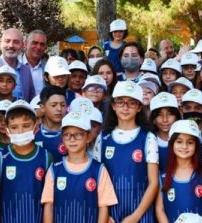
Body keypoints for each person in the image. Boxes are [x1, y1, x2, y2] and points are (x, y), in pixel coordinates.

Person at [97, 81, 159, 223]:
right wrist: (105, 214)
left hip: (141, 215)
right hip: (110, 215)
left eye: (131, 103)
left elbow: (154, 183)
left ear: (139, 107)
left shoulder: (148, 137)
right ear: (113, 106)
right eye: (120, 102)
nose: (125, 108)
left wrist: (136, 216)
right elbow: (97, 179)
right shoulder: (103, 138)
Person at [41, 111, 117, 223]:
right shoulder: (55, 169)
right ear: (62, 138)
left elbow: (104, 206)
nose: (72, 139)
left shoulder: (98, 170)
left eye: (78, 134)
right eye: (67, 134)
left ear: (88, 137)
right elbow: (49, 205)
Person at [0, 100, 51, 223]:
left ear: (36, 127)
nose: (20, 131)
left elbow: (50, 201)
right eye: (14, 127)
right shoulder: (1, 159)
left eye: (26, 126)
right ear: (7, 130)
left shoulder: (46, 157)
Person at [155, 120, 202, 223]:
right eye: (179, 141)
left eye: (190, 142)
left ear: (196, 145)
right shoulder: (163, 176)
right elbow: (159, 209)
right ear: (171, 143)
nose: (184, 146)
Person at [0, 28, 35, 101]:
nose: (11, 45)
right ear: (1, 44)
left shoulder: (26, 70)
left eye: (16, 42)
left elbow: (31, 98)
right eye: (7, 41)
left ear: (22, 45)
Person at [35, 86, 67, 163]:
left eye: (63, 105)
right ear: (42, 108)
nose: (59, 109)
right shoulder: (33, 133)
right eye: (54, 105)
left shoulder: (71, 134)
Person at [151, 92, 181, 173]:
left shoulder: (183, 139)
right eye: (159, 114)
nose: (165, 119)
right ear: (153, 119)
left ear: (177, 116)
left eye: (170, 114)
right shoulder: (148, 140)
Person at [19, 30, 47, 95]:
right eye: (35, 43)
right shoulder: (15, 65)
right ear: (25, 43)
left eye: (42, 44)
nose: (38, 47)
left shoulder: (48, 68)